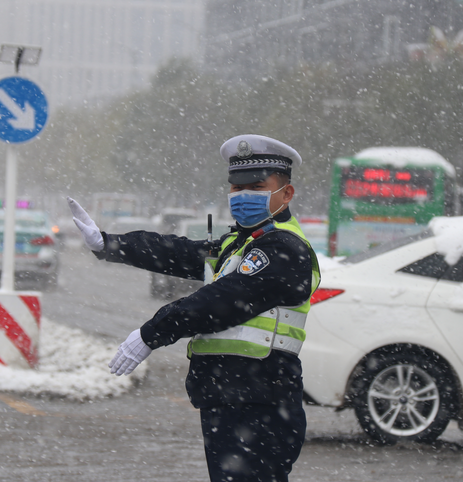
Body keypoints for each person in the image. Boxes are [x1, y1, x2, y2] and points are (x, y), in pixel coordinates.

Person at [67, 134, 320, 482]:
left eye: (257, 186)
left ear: (286, 193)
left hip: (261, 400)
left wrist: (151, 334)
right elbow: (177, 251)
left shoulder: (285, 248)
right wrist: (110, 243)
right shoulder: (240, 243)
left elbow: (223, 300)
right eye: (235, 187)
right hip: (233, 395)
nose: (242, 195)